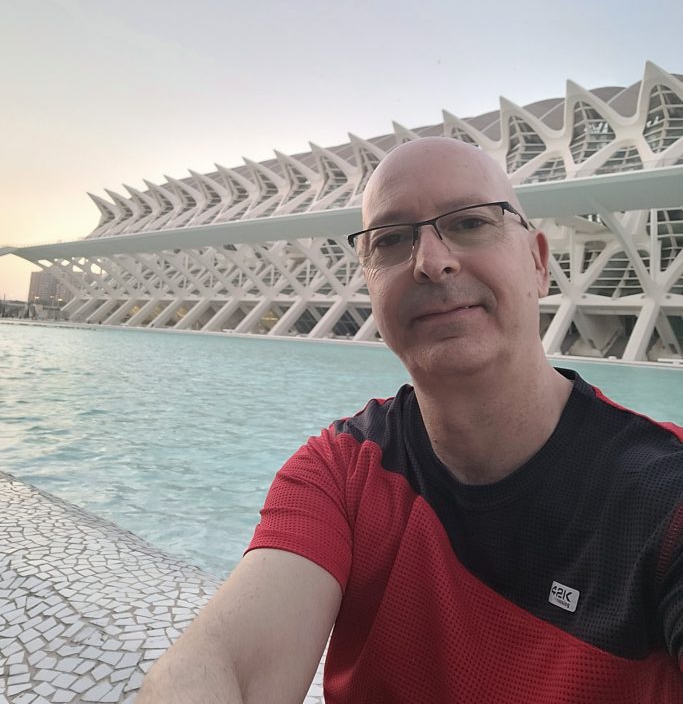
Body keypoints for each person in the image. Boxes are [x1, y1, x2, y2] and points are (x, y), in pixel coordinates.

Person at [136, 137, 683, 703]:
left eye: (470, 223)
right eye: (392, 240)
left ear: (539, 262)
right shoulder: (343, 472)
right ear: (369, 283)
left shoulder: (666, 497)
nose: (431, 261)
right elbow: (224, 665)